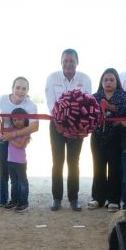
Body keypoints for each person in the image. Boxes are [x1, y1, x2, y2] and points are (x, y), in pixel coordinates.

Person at [45, 48, 92, 211]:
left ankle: (74, 198)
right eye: (65, 60)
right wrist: (61, 119)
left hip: (77, 127)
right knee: (57, 162)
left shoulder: (85, 79)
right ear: (61, 62)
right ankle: (56, 198)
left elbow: (87, 102)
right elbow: (51, 103)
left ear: (77, 62)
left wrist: (75, 122)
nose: (68, 64)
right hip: (56, 125)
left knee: (74, 162)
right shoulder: (52, 78)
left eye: (72, 61)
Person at [89, 68, 126, 211]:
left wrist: (109, 106)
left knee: (115, 169)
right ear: (101, 82)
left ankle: (113, 199)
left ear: (117, 81)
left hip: (116, 137)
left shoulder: (124, 95)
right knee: (98, 168)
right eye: (105, 80)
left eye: (111, 80)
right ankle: (97, 198)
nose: (108, 82)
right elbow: (89, 115)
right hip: (97, 137)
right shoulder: (94, 96)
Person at [0, 76, 38, 207]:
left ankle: (22, 201)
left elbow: (34, 126)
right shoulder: (2, 99)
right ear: (12, 88)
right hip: (2, 137)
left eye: (24, 88)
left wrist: (13, 135)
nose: (20, 91)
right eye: (17, 87)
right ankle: (3, 200)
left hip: (19, 137)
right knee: (3, 168)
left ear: (28, 90)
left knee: (18, 172)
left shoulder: (31, 105)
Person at [6, 110, 31, 212]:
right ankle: (14, 201)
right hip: (10, 160)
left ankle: (24, 202)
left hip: (20, 162)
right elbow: (1, 130)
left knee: (22, 183)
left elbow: (21, 146)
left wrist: (9, 138)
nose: (17, 122)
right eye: (14, 120)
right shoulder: (11, 129)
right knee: (14, 182)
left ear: (25, 119)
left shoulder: (26, 131)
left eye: (20, 119)